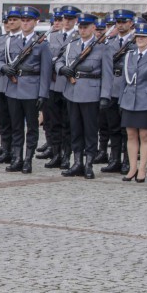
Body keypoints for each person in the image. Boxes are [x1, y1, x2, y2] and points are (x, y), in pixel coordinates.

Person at [56, 13, 113, 180]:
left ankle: (88, 163)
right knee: (75, 130)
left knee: (90, 131)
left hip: (91, 93)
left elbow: (107, 75)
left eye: (85, 27)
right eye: (80, 27)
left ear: (94, 28)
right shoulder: (72, 45)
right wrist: (62, 69)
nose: (82, 30)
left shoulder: (103, 48)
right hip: (72, 92)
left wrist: (105, 96)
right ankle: (77, 162)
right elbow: (58, 60)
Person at [0, 6, 51, 174]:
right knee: (16, 126)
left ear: (36, 22)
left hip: (32, 89)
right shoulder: (10, 41)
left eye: (29, 20)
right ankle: (17, 158)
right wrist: (4, 68)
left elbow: (46, 71)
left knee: (32, 127)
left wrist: (43, 93)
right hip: (13, 88)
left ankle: (28, 159)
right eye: (24, 20)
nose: (26, 23)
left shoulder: (42, 44)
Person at [118, 23, 147, 182]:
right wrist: (120, 101)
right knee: (130, 134)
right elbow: (124, 80)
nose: (140, 39)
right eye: (138, 37)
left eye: (144, 37)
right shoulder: (129, 56)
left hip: (146, 99)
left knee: (145, 135)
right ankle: (132, 167)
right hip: (129, 99)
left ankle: (142, 168)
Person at [43, 6, 80, 169]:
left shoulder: (78, 37)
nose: (66, 21)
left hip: (68, 84)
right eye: (64, 18)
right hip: (52, 84)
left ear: (76, 21)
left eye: (70, 19)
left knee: (68, 123)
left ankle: (66, 155)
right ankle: (56, 153)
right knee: (53, 122)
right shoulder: (51, 36)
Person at [101, 9, 136, 175]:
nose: (121, 25)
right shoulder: (110, 41)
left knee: (127, 128)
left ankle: (128, 161)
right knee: (112, 126)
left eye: (124, 22)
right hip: (112, 87)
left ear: (131, 23)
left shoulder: (136, 41)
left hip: (127, 86)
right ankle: (114, 159)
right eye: (119, 22)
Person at [0, 7, 22, 165]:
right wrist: (1, 67)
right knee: (2, 119)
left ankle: (14, 151)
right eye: (7, 21)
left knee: (14, 120)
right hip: (0, 84)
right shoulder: (0, 39)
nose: (9, 24)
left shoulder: (22, 39)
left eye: (13, 20)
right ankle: (5, 147)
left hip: (15, 84)